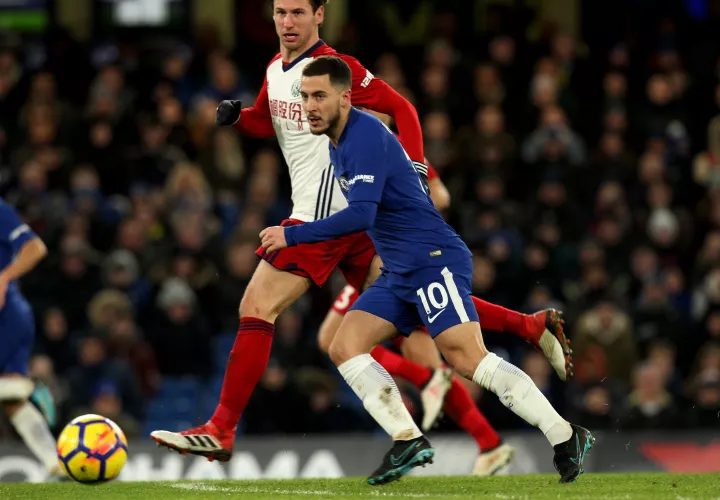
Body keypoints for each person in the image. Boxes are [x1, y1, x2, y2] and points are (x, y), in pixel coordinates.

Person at [150, 0, 571, 467]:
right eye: (280, 13)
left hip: (327, 218)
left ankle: (222, 429)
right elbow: (271, 120)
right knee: (421, 316)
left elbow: (403, 109)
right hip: (355, 225)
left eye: (297, 12)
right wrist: (239, 118)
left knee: (257, 306)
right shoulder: (276, 69)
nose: (287, 22)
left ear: (319, 15)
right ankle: (523, 334)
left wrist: (417, 169)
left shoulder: (337, 70)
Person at [258, 56, 594, 485]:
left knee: (468, 359)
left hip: (432, 258)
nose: (309, 105)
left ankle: (566, 435)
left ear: (345, 98)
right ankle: (407, 439)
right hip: (399, 270)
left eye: (319, 96)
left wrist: (295, 236)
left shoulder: (364, 137)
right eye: (304, 96)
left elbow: (361, 214)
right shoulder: (337, 141)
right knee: (344, 345)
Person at [0, 198, 64, 480]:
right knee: (12, 400)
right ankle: (56, 464)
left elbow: (35, 248)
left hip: (6, 316)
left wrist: (4, 278)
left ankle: (27, 388)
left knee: (11, 395)